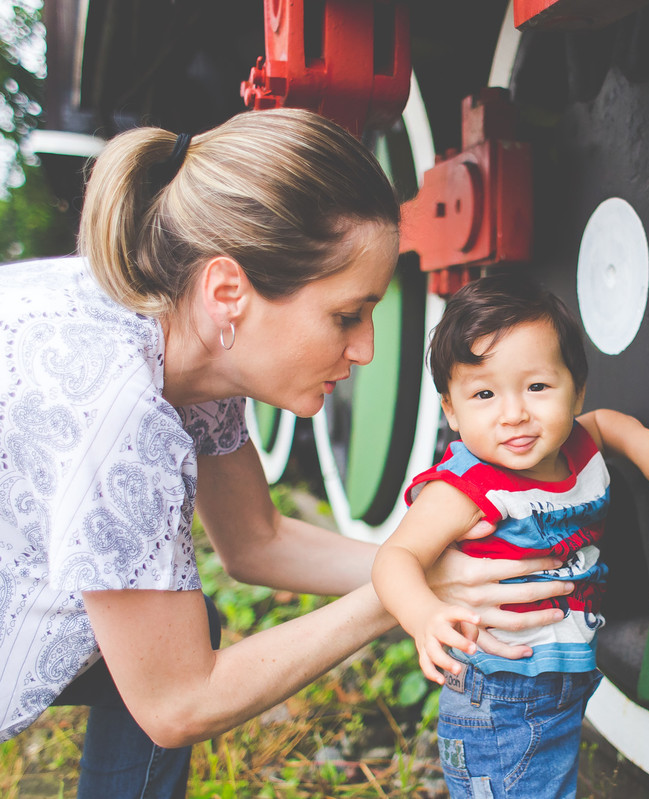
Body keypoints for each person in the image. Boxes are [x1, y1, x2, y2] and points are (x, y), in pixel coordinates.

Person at [0, 108, 575, 798]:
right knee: (171, 659)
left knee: (183, 624)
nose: (363, 350)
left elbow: (255, 541)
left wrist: (436, 566)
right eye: (345, 315)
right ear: (228, 291)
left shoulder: (178, 331)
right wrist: (405, 596)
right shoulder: (120, 406)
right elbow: (176, 702)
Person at [372, 275, 649, 799]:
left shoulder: (576, 444)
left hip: (561, 681)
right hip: (499, 692)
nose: (514, 414)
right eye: (484, 393)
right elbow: (395, 557)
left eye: (537, 386)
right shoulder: (466, 489)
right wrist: (423, 616)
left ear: (576, 387)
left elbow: (603, 424)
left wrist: (643, 446)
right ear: (451, 412)